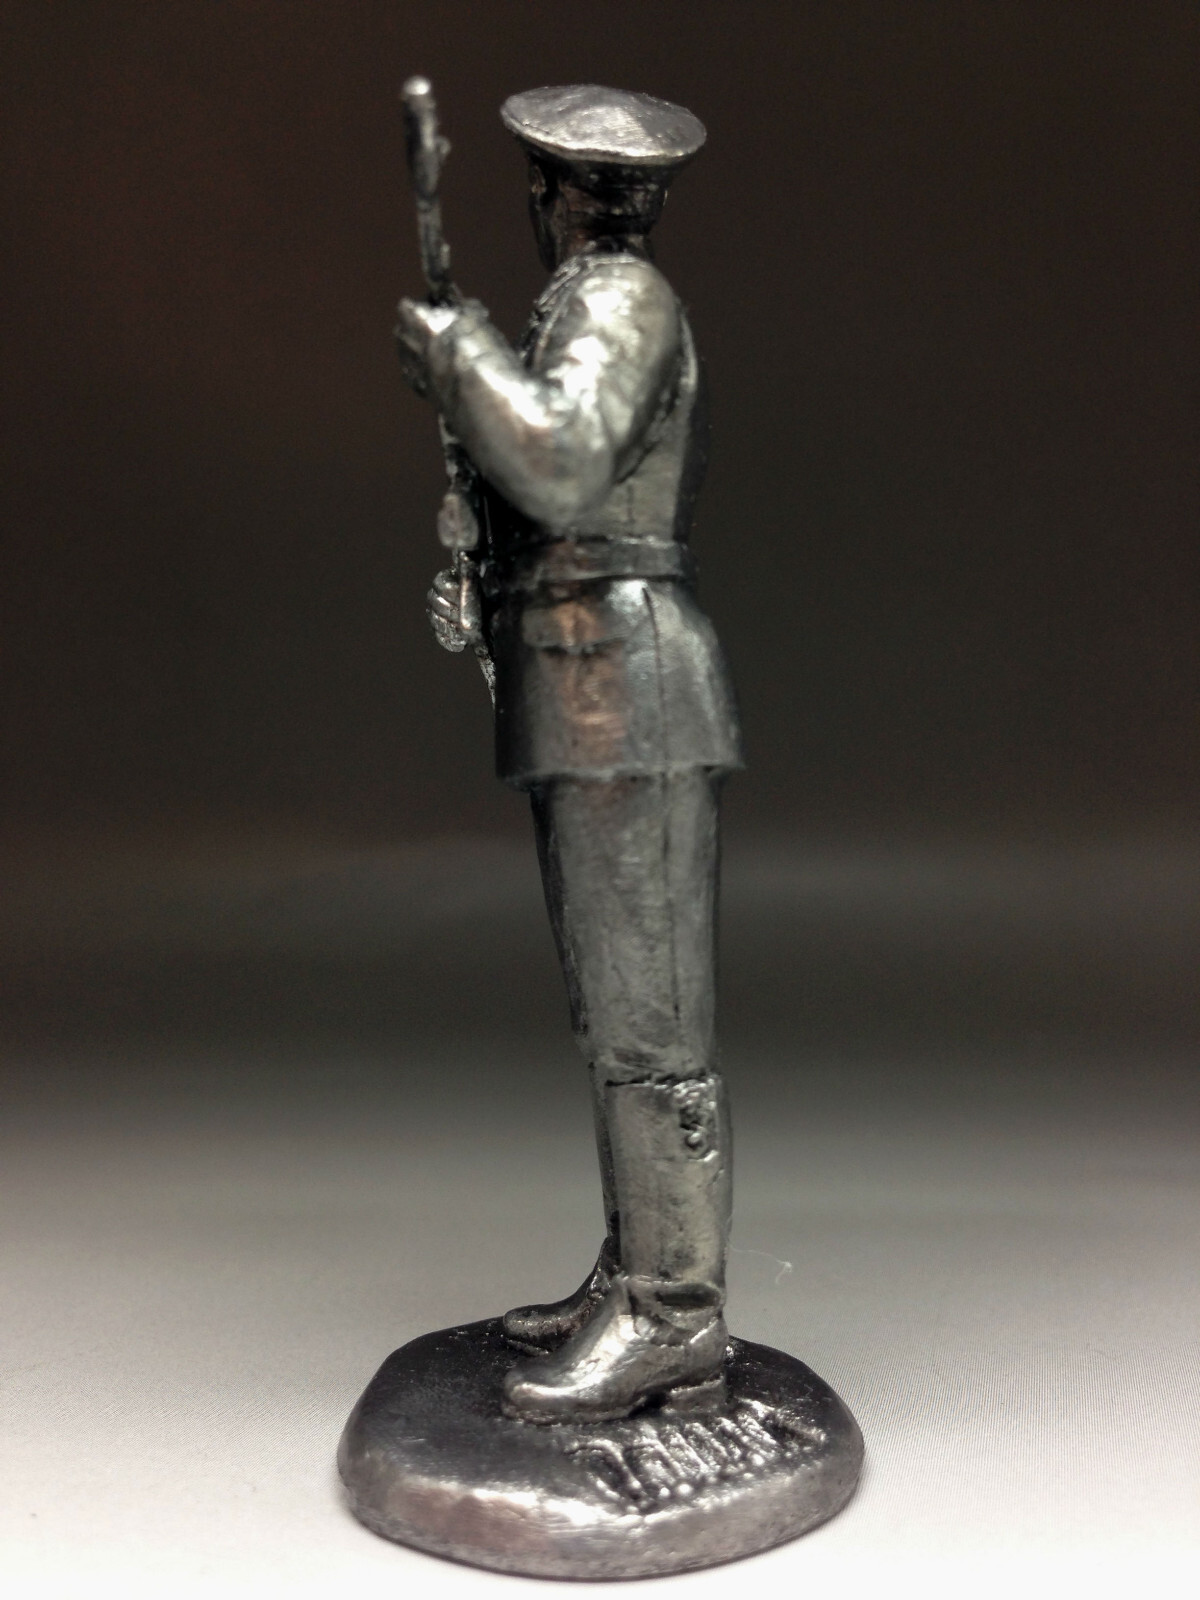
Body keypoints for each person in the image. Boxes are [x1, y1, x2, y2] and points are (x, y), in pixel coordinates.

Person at [396, 85, 742, 1424]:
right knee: (618, 1020)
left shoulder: (615, 300)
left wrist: (460, 360)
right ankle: (638, 1276)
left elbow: (561, 458)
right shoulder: (598, 302)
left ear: (554, 194)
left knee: (650, 1026)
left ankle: (676, 1313)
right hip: (589, 674)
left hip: (624, 680)